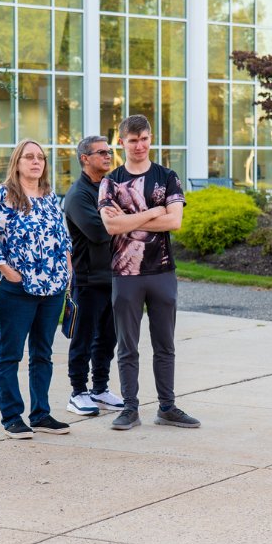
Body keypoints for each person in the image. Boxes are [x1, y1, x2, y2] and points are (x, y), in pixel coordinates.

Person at [98, 115, 199, 431]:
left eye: (144, 139)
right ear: (122, 142)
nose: (139, 145)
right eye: (132, 140)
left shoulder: (167, 176)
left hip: (162, 271)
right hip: (125, 274)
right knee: (127, 346)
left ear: (151, 139)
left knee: (164, 344)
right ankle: (130, 408)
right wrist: (155, 211)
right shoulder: (110, 182)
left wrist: (134, 219)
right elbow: (111, 226)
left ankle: (167, 407)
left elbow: (174, 222)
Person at [0, 139, 74, 439]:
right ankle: (12, 417)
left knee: (43, 353)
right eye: (29, 157)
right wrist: (7, 272)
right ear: (17, 162)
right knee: (10, 354)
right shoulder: (3, 196)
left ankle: (41, 414)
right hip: (17, 289)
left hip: (52, 288)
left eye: (40, 157)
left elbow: (62, 236)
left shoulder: (48, 195)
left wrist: (67, 269)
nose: (36, 162)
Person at [62, 135, 126, 416]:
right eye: (101, 152)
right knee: (83, 339)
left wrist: (119, 219)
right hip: (88, 280)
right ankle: (78, 392)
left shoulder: (110, 189)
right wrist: (121, 220)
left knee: (108, 338)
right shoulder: (78, 195)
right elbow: (100, 232)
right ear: (84, 158)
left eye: (109, 151)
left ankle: (100, 388)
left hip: (114, 277)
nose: (108, 155)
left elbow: (125, 222)